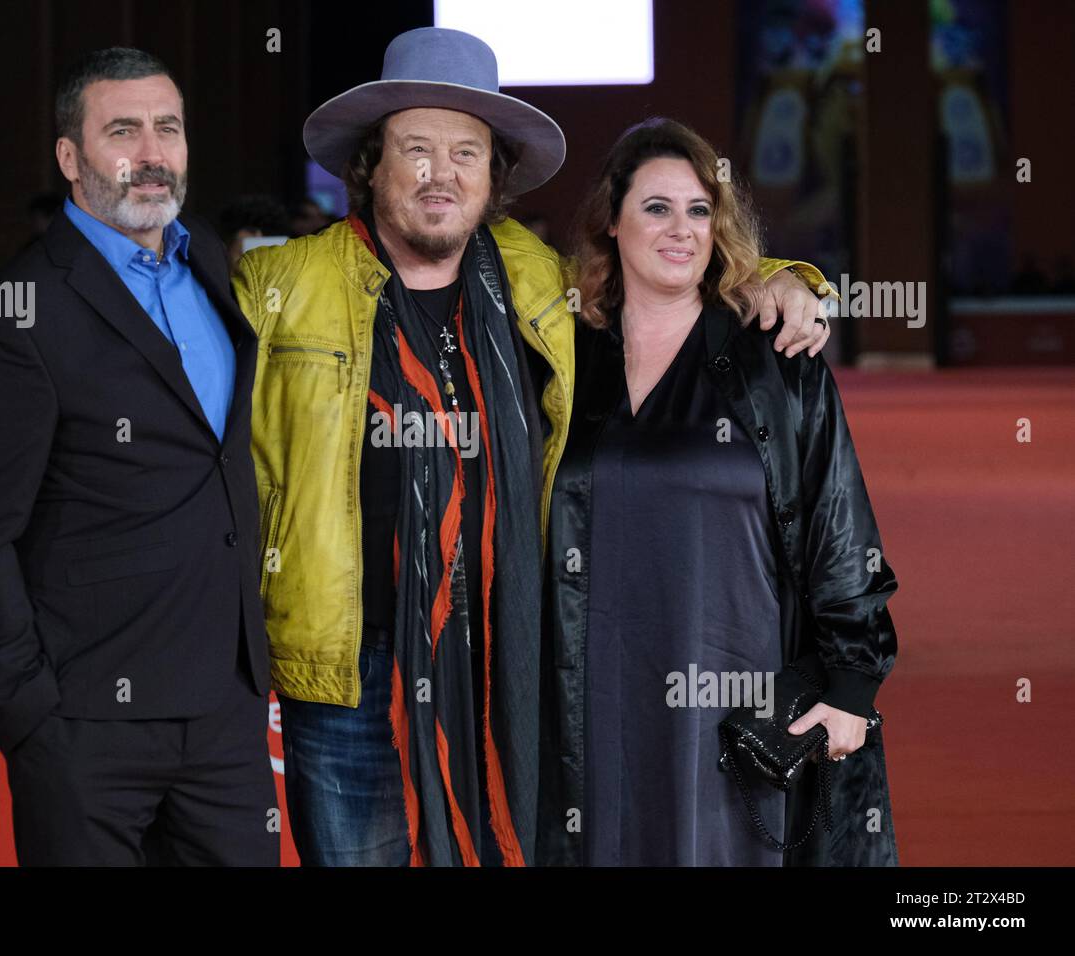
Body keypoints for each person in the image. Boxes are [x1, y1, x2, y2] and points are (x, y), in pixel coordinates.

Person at [232, 28, 831, 866]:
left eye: (465, 153)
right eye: (416, 150)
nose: (441, 174)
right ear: (372, 166)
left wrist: (785, 279)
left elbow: (663, 272)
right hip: (347, 668)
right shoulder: (281, 288)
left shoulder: (535, 281)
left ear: (493, 175)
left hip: (507, 652)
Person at [0, 47, 275, 866]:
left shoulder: (210, 273)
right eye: (122, 130)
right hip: (87, 736)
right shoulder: (17, 314)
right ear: (70, 156)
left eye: (168, 128)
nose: (151, 154)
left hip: (225, 723)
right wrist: (33, 721)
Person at [540, 118, 898, 866]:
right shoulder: (559, 357)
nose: (681, 230)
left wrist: (852, 686)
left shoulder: (775, 355)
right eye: (657, 207)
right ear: (611, 220)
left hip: (741, 691)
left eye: (700, 210)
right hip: (593, 690)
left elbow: (840, 521)